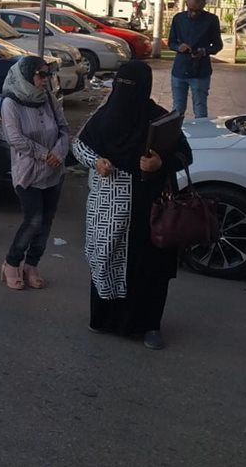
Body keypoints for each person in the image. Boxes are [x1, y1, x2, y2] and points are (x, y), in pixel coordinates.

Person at [75, 61, 193, 349]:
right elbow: (79, 146)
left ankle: (149, 326)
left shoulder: (160, 120)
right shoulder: (103, 117)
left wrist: (160, 163)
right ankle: (103, 319)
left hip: (148, 213)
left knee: (149, 269)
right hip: (108, 210)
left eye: (132, 87)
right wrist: (96, 161)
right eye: (121, 85)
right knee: (105, 261)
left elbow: (185, 155)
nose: (124, 93)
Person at [0, 56, 70, 290]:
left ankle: (32, 265)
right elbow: (14, 138)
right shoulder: (11, 102)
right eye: (42, 74)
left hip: (54, 171)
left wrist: (58, 152)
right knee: (34, 220)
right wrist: (43, 154)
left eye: (48, 74)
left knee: (46, 221)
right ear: (28, 75)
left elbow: (64, 128)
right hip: (28, 172)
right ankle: (12, 263)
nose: (46, 79)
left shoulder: (48, 98)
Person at [168, 0, 223, 120]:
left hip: (200, 70)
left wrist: (203, 51)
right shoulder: (179, 18)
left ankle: (201, 131)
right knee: (177, 108)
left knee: (200, 108)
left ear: (203, 6)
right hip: (180, 69)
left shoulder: (211, 20)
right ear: (186, 4)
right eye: (190, 9)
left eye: (197, 11)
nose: (193, 13)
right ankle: (175, 131)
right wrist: (178, 47)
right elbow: (171, 42)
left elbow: (217, 45)